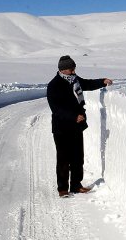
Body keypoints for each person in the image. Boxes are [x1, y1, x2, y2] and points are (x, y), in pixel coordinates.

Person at [47, 55, 113, 197]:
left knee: (78, 157)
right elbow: (56, 109)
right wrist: (73, 116)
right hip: (62, 128)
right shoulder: (54, 85)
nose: (74, 71)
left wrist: (103, 81)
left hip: (76, 127)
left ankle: (76, 185)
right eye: (71, 69)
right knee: (64, 159)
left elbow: (87, 84)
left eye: (74, 68)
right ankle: (63, 188)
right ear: (63, 70)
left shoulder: (75, 80)